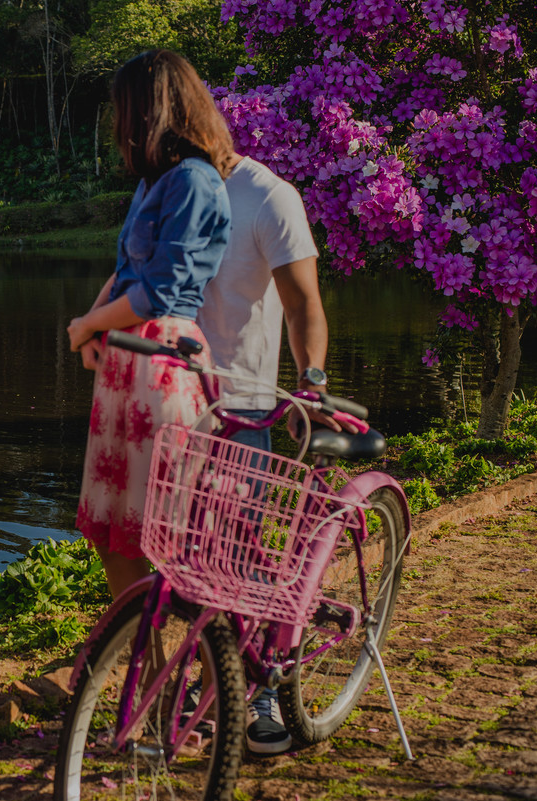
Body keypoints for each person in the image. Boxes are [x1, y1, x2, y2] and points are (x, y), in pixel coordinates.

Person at [196, 150, 355, 754]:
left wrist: (310, 385)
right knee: (185, 554)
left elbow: (303, 303)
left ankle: (260, 689)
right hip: (176, 402)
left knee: (238, 554)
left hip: (244, 407)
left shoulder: (269, 196)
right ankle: (209, 675)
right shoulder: (170, 186)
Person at [66, 49, 234, 601]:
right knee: (113, 533)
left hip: (163, 362)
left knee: (171, 531)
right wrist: (93, 328)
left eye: (122, 108)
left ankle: (216, 677)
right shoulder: (153, 183)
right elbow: (126, 273)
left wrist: (89, 323)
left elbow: (161, 290)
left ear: (148, 109)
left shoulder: (195, 180)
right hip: (126, 361)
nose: (117, 122)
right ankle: (148, 673)